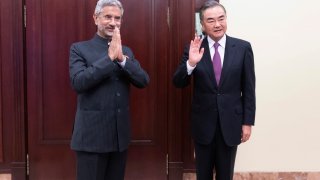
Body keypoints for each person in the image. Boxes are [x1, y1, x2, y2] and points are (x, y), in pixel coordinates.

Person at [173, 1, 256, 180]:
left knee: (225, 175)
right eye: (211, 20)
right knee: (203, 175)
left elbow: (249, 89)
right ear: (202, 24)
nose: (217, 24)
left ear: (226, 19)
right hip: (203, 124)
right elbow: (178, 82)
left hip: (231, 123)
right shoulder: (194, 48)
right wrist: (191, 63)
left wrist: (247, 122)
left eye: (221, 18)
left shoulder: (243, 48)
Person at [69, 0, 149, 179]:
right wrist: (109, 58)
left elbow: (143, 80)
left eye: (117, 18)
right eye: (108, 17)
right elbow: (79, 82)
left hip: (119, 137)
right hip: (91, 139)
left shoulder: (126, 50)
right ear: (95, 18)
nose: (113, 22)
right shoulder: (79, 49)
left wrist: (122, 59)